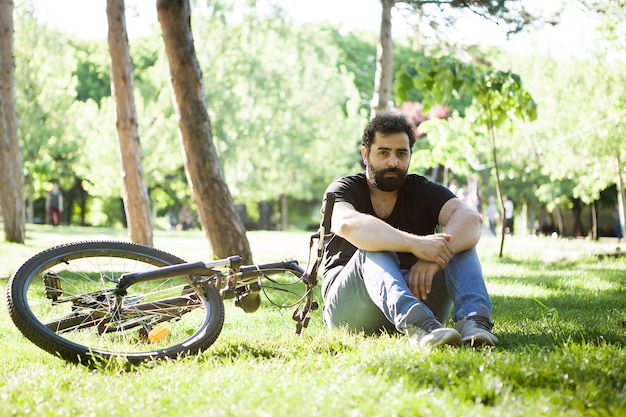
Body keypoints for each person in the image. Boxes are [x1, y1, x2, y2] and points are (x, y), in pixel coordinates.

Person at [320, 112, 497, 348]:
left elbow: (471, 219)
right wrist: (417, 245)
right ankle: (420, 326)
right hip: (351, 307)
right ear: (365, 154)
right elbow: (347, 224)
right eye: (383, 152)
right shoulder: (343, 189)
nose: (393, 162)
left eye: (401, 154)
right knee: (373, 248)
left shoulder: (420, 190)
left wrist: (437, 256)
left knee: (457, 242)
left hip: (419, 294)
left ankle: (474, 321)